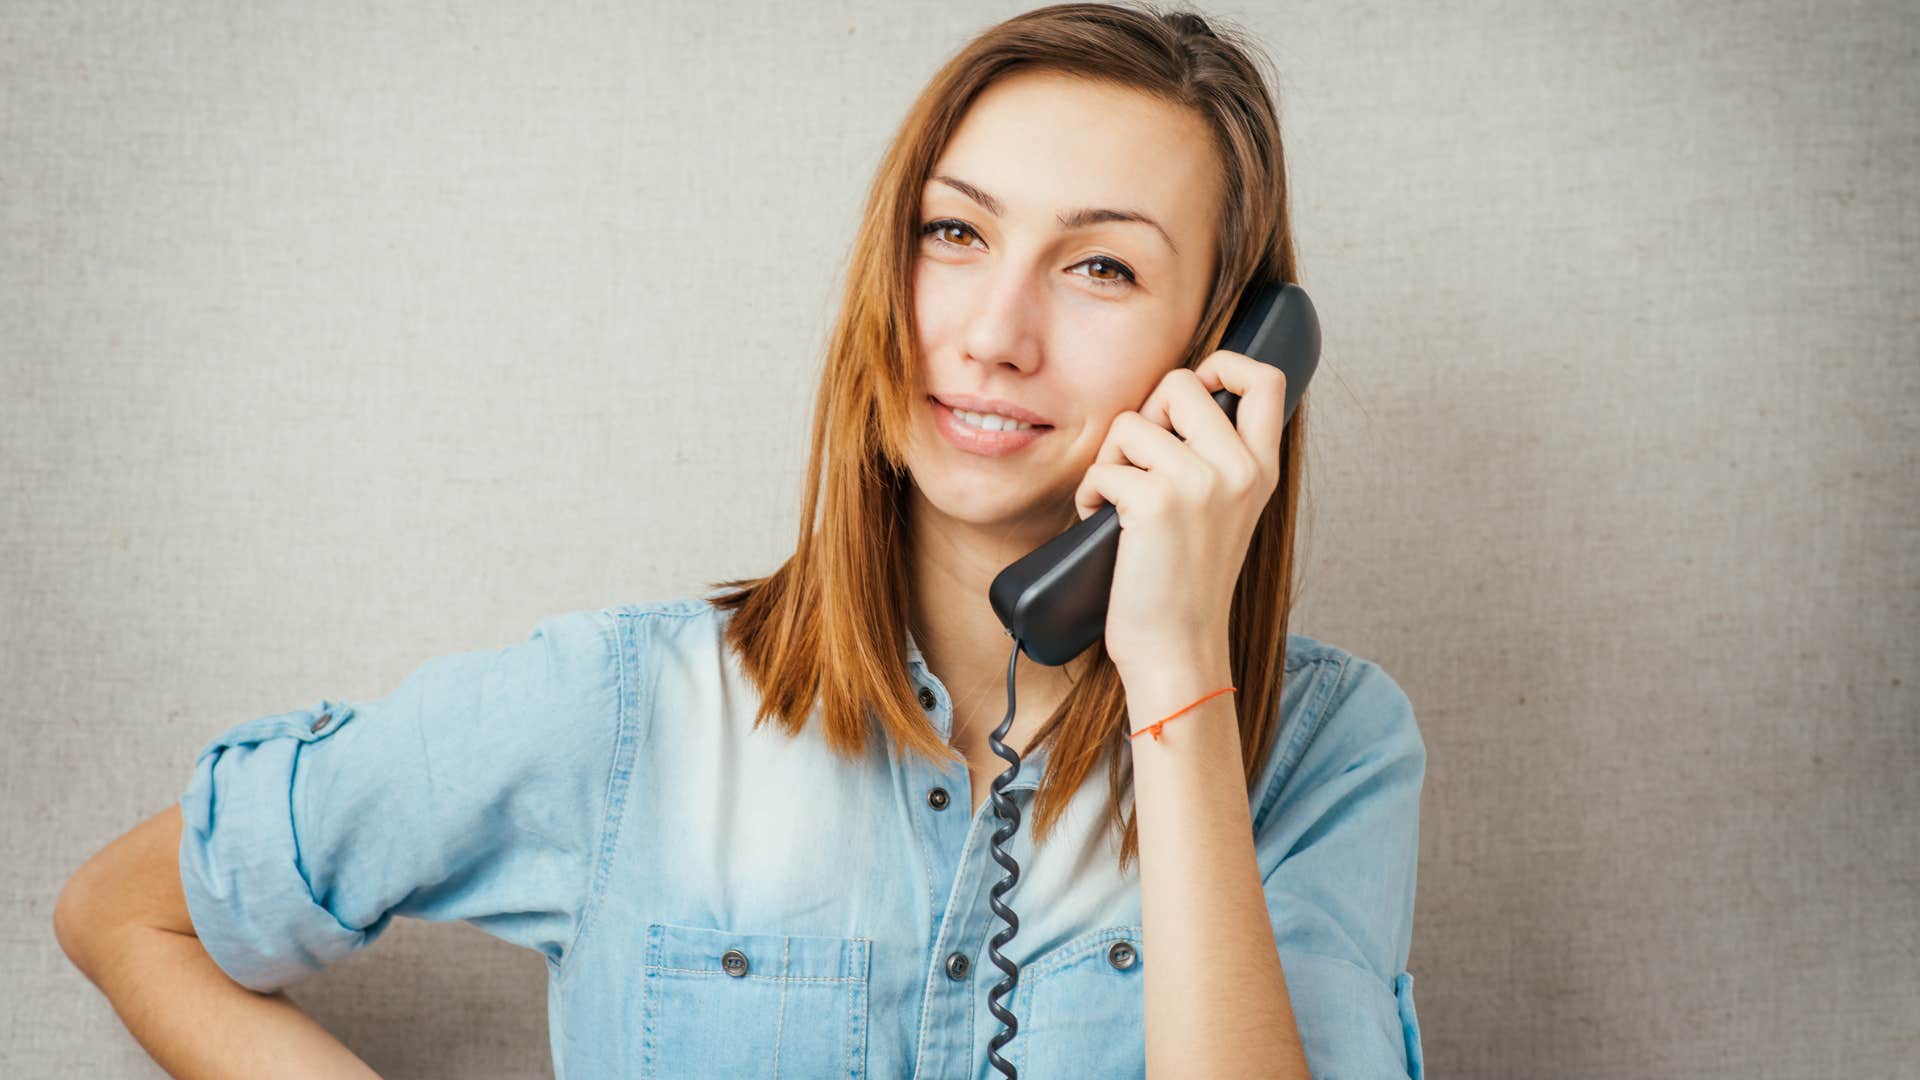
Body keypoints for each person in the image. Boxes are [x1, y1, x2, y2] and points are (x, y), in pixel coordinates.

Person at [55, 4, 1427, 1077]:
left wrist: (1176, 668)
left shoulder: (1327, 752)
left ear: (1229, 360)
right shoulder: (623, 713)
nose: (993, 333)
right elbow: (130, 912)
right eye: (953, 232)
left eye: (1100, 267)